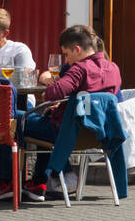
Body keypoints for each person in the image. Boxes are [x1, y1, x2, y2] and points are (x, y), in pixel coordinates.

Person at [23, 24, 122, 200]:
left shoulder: (80, 69)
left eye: (67, 54)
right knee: (41, 122)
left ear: (77, 49)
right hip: (98, 134)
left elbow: (53, 93)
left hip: (68, 133)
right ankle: (45, 179)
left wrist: (51, 89)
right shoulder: (113, 68)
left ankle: (9, 182)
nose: (67, 60)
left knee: (16, 119)